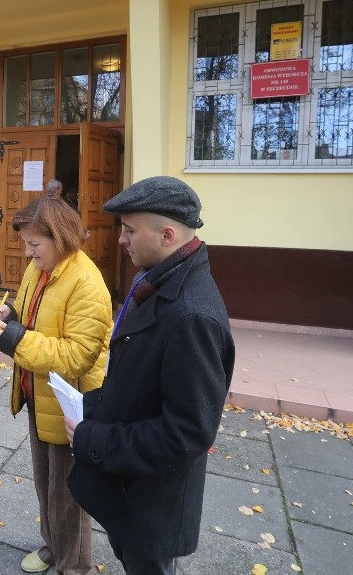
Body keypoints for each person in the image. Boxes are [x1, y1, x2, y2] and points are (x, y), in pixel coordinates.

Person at [65, 176, 235, 574]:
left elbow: (188, 431)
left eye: (129, 230)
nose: (121, 239)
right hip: (135, 490)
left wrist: (95, 440)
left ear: (168, 234)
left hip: (155, 503)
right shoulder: (160, 280)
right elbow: (140, 379)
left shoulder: (193, 315)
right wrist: (91, 406)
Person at [0, 196, 112, 574]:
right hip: (39, 394)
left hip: (71, 406)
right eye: (26, 243)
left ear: (60, 238)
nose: (28, 252)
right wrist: (8, 315)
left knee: (69, 496)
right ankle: (52, 548)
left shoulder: (86, 283)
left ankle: (74, 567)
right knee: (46, 485)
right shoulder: (39, 269)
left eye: (34, 244)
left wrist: (12, 337)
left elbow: (77, 357)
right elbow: (30, 314)